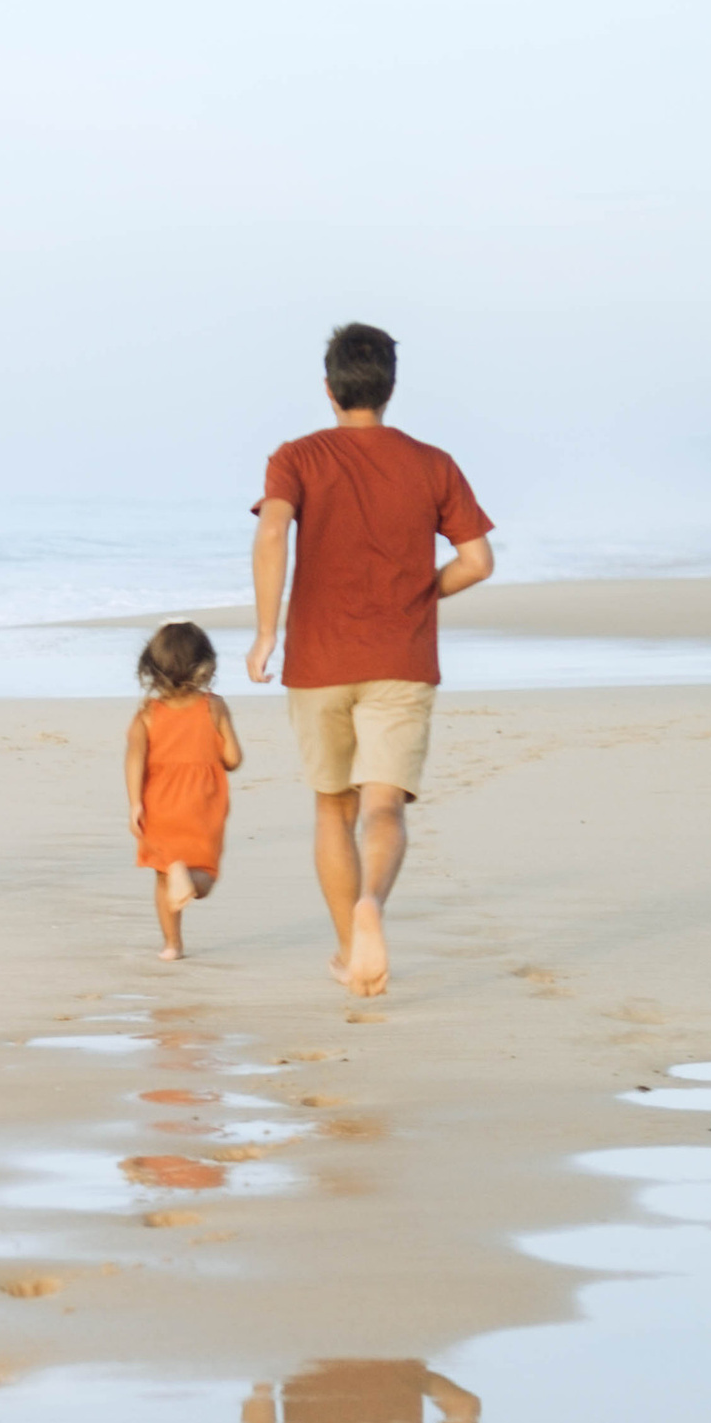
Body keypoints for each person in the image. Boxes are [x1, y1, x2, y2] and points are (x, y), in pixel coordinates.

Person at [247, 324, 494, 997]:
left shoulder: (295, 456)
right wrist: (421, 590)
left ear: (328, 389)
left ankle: (345, 948)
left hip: (318, 658)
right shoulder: (432, 462)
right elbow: (478, 562)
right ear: (389, 387)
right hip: (401, 656)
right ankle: (372, 908)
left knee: (333, 809)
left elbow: (272, 530)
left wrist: (266, 633)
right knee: (385, 806)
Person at [126, 622, 242, 958]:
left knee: (164, 877)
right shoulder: (213, 706)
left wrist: (135, 802)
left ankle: (172, 945)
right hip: (202, 804)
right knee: (203, 875)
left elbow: (134, 758)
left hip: (158, 802)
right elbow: (233, 758)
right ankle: (188, 878)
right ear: (205, 664)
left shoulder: (148, 712)